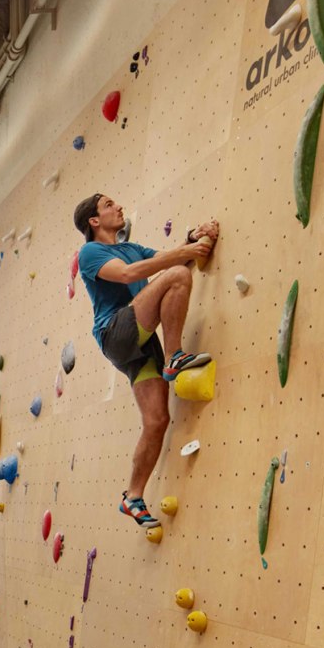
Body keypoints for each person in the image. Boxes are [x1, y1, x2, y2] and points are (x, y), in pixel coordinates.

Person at [74, 193, 217, 530]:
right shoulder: (91, 252)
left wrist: (195, 238)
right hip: (116, 334)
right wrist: (184, 252)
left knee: (156, 420)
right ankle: (174, 356)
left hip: (138, 343)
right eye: (109, 205)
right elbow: (128, 275)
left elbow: (168, 260)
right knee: (179, 278)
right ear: (94, 221)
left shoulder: (133, 248)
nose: (119, 206)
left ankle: (133, 496)